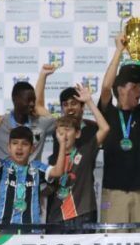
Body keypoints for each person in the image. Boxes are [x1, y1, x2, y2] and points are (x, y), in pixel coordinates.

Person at [97, 31, 140, 227]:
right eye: (135, 86)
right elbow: (106, 88)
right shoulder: (107, 112)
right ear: (121, 89)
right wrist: (118, 50)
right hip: (113, 192)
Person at [0, 80, 57, 213]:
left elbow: (68, 124)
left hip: (30, 188)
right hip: (0, 188)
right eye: (28, 100)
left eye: (34, 100)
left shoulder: (41, 123)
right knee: (0, 234)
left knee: (30, 232)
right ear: (15, 99)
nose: (32, 104)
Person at [47, 83, 110, 231]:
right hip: (57, 213)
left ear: (77, 133)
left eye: (68, 131)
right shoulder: (51, 161)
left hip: (83, 211)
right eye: (60, 132)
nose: (64, 135)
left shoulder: (85, 150)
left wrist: (89, 101)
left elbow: (105, 128)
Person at [0, 119, 64, 225]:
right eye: (15, 143)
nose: (19, 147)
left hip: (30, 230)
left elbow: (58, 172)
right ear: (9, 147)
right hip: (4, 229)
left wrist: (62, 143)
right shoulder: (2, 166)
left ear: (32, 149)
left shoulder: (37, 168)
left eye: (24, 144)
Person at [35, 64, 99, 158]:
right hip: (59, 172)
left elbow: (105, 128)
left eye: (73, 103)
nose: (69, 107)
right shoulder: (56, 124)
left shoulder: (93, 127)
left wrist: (89, 101)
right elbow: (37, 106)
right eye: (65, 105)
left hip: (83, 172)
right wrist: (42, 75)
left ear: (82, 106)